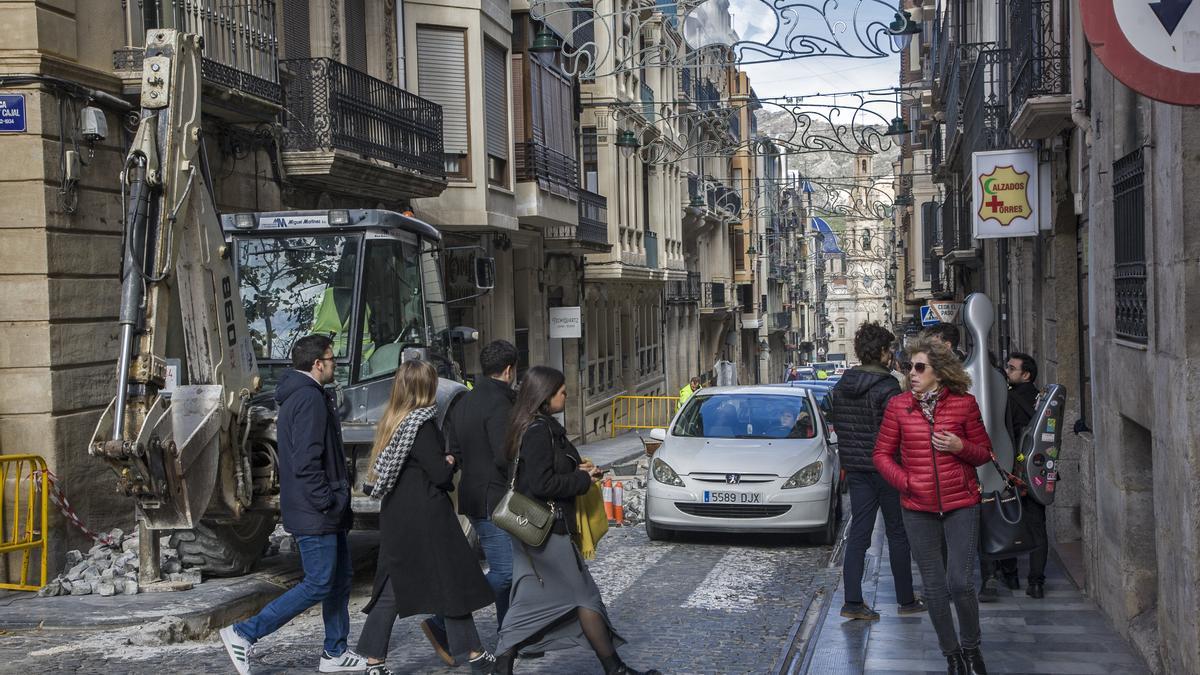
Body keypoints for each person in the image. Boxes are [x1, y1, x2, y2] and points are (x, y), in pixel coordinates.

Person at [491, 366, 660, 675]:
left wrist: (577, 471)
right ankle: (615, 669)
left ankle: (502, 667)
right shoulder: (539, 430)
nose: (566, 397)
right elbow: (542, 484)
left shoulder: (525, 425)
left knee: (526, 601)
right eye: (562, 392)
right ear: (545, 395)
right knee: (585, 597)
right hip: (547, 529)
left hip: (532, 531)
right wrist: (582, 480)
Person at [219, 335, 366, 675]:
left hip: (322, 508)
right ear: (317, 364)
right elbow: (305, 460)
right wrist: (327, 501)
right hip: (316, 511)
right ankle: (243, 633)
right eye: (331, 360)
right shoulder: (309, 399)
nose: (335, 365)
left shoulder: (306, 396)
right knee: (318, 582)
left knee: (340, 578)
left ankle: (335, 653)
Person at [355, 360, 496, 675]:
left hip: (397, 515)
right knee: (452, 582)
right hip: (428, 516)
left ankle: (374, 662)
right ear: (426, 388)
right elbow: (440, 476)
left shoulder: (393, 421)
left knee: (392, 587)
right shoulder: (422, 424)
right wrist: (450, 461)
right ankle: (474, 654)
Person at [874, 336, 993, 675]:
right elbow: (881, 455)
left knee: (960, 582)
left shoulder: (964, 404)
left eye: (920, 367)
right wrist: (907, 482)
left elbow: (984, 452)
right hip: (917, 507)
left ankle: (972, 648)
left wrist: (959, 446)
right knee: (934, 586)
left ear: (939, 372)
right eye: (909, 366)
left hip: (961, 503)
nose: (912, 372)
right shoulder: (899, 407)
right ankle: (952, 655)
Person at [418, 341, 520, 664]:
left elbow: (456, 452)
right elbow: (505, 457)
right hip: (496, 498)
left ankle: (510, 635)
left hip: (473, 498)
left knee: (509, 570)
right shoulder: (501, 404)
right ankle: (443, 619)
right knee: (504, 573)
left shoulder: (465, 400)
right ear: (509, 370)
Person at [832, 323, 925, 622]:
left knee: (859, 533)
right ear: (884, 353)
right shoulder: (888, 388)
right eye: (890, 349)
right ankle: (906, 599)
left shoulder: (842, 386)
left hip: (857, 469)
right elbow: (900, 432)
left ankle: (853, 601)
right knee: (898, 533)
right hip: (886, 468)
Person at [1005, 351, 1049, 600]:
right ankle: (1036, 582)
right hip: (1037, 472)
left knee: (1010, 520)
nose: (1007, 371)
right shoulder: (1043, 400)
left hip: (1015, 469)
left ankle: (1010, 575)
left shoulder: (1009, 399)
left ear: (1026, 374)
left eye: (1012, 369)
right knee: (1037, 527)